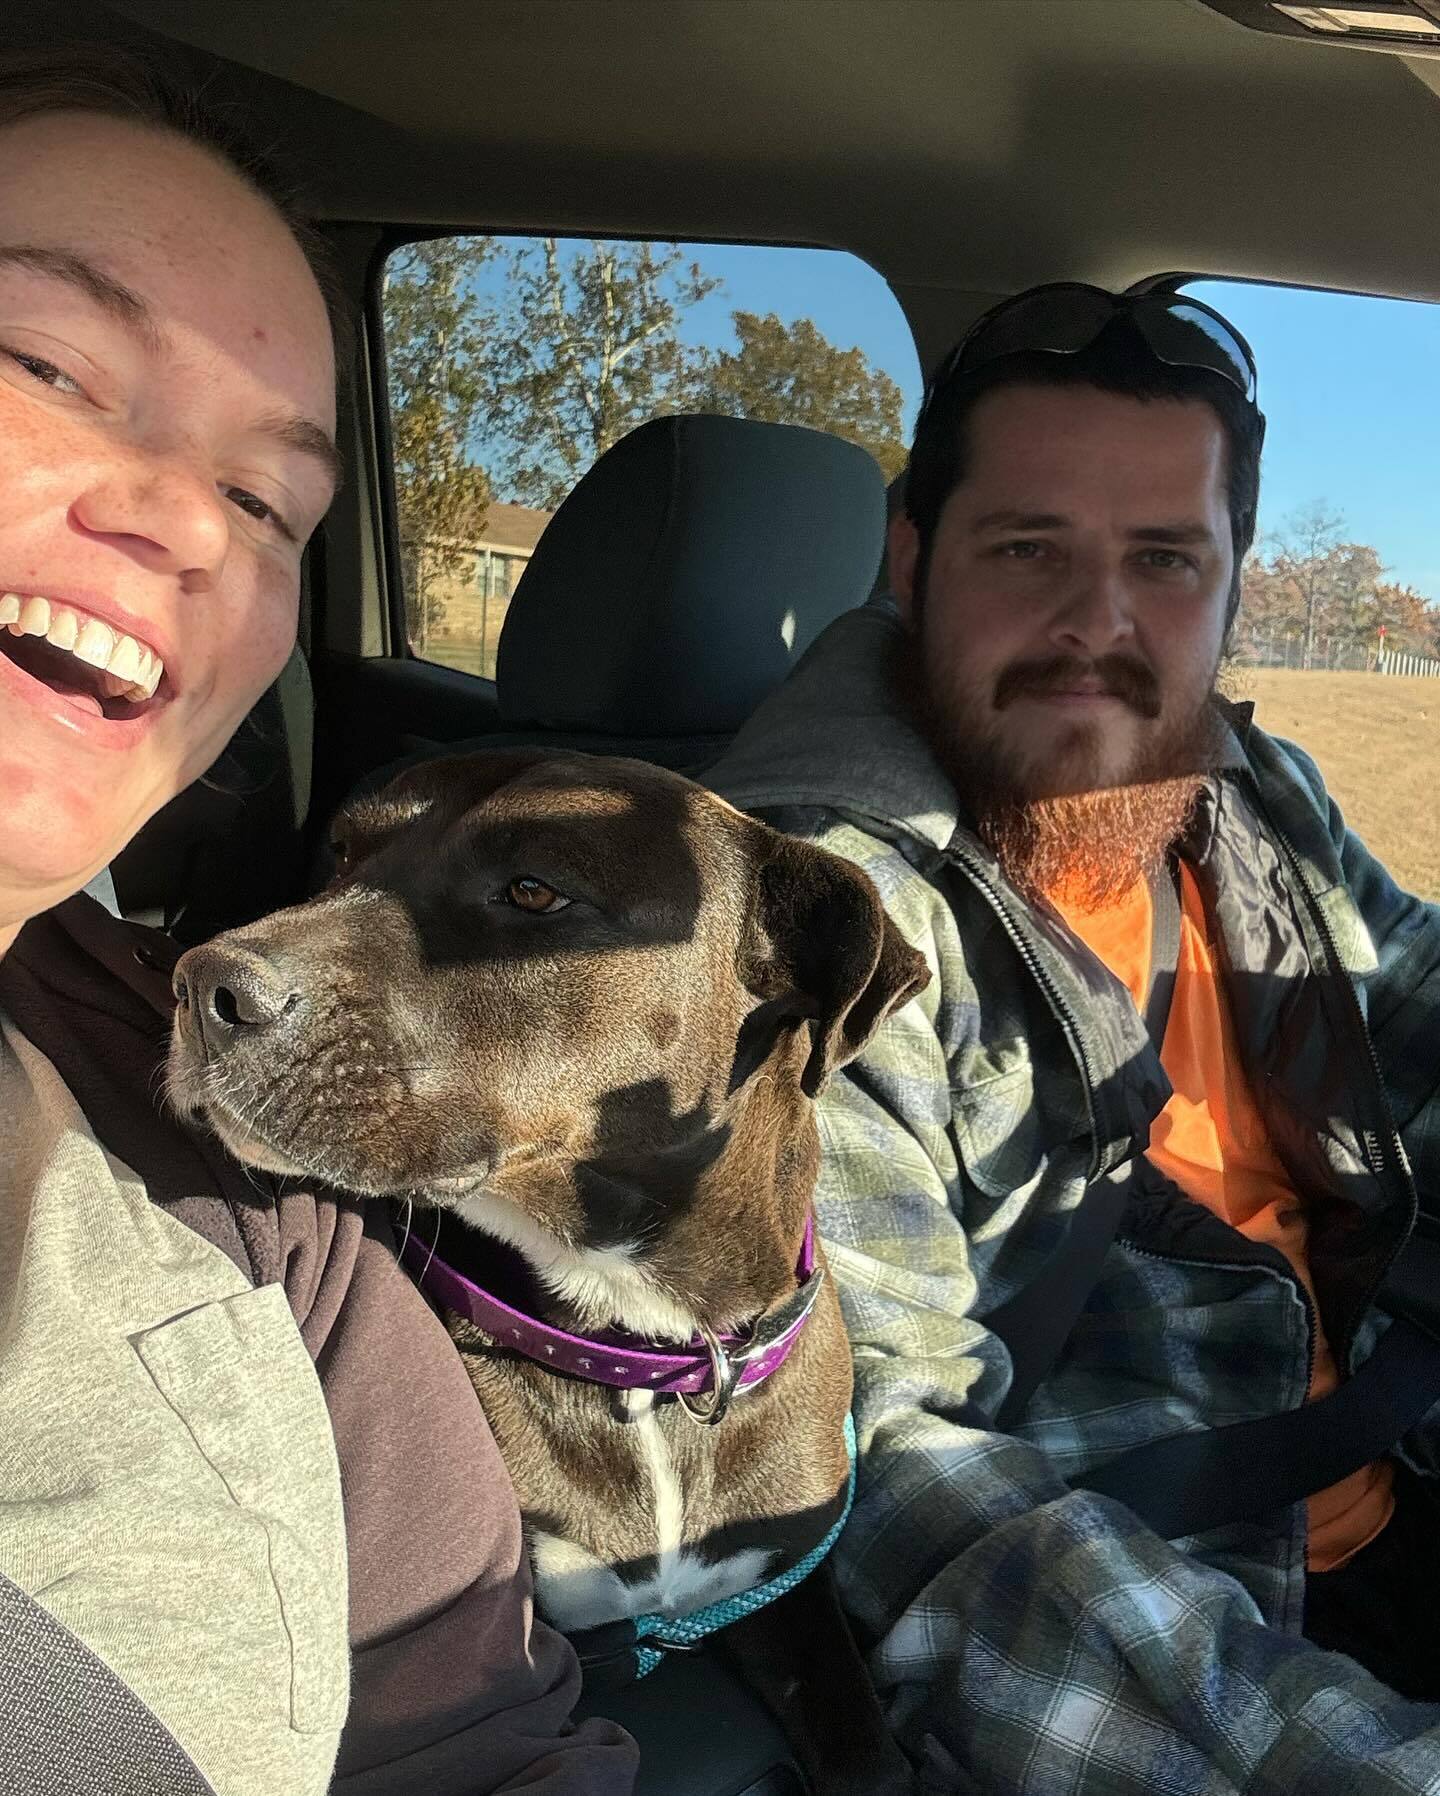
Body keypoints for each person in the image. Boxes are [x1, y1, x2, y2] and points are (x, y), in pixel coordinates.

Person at [0, 44, 636, 1796]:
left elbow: (495, 1743)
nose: (189, 520)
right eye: (46, 360)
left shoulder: (234, 1177)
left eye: (271, 500)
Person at [709, 283, 1440, 1791]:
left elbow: (1416, 990)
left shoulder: (1249, 795)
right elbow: (898, 1476)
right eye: (1028, 548)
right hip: (1171, 1632)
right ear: (914, 562)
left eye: (1164, 561)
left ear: (1233, 587)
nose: (1096, 627)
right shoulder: (808, 934)